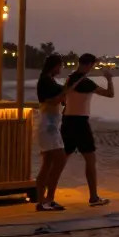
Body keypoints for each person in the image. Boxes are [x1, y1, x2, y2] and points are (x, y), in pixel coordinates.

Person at [62, 54, 115, 207]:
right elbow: (110, 94)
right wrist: (109, 79)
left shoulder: (70, 78)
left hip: (67, 121)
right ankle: (93, 196)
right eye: (93, 65)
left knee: (61, 160)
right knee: (90, 160)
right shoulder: (85, 82)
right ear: (89, 64)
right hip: (79, 122)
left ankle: (46, 193)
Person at [33, 55, 77, 211]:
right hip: (48, 127)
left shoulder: (48, 80)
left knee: (48, 164)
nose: (61, 69)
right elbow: (52, 100)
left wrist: (67, 90)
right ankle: (47, 198)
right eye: (60, 66)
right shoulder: (45, 81)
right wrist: (66, 92)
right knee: (59, 161)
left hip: (50, 126)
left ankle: (44, 200)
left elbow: (60, 95)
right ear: (54, 65)